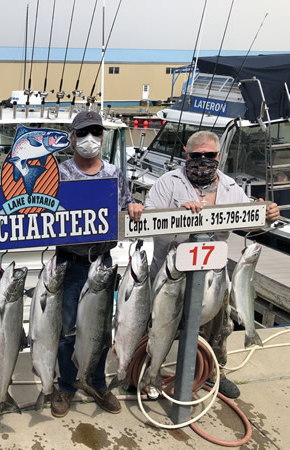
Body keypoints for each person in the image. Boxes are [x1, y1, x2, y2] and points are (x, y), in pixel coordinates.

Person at [142, 130, 280, 398]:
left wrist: (267, 214)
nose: (203, 160)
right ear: (186, 154)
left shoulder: (230, 187)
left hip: (212, 275)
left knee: (219, 327)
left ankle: (214, 372)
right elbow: (147, 219)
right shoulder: (167, 182)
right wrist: (177, 215)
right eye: (197, 155)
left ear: (218, 156)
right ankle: (148, 370)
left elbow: (254, 218)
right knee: (156, 326)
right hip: (169, 274)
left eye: (209, 155)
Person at [51, 110, 144, 418]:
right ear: (73, 137)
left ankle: (97, 381)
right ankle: (65, 386)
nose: (90, 139)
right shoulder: (59, 172)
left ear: (102, 138)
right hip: (70, 262)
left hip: (103, 262)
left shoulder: (115, 173)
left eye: (96, 133)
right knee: (68, 330)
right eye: (83, 133)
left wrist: (132, 206)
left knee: (101, 329)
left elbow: (125, 204)